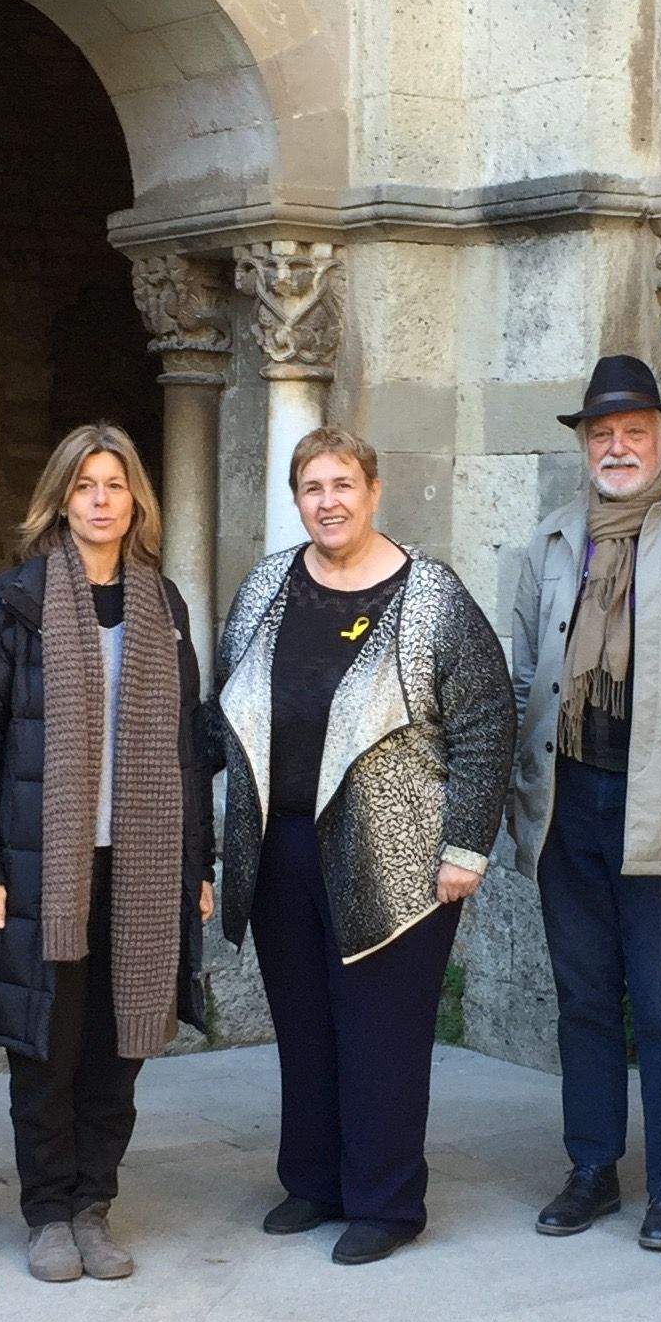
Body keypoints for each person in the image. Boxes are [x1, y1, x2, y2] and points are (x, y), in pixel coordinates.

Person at [215, 426, 513, 1264]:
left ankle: (385, 1201)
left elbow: (488, 724)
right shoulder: (268, 586)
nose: (329, 501)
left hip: (400, 855)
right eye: (312, 487)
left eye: (344, 483)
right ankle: (313, 1181)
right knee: (304, 1022)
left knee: (382, 1031)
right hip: (281, 845)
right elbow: (225, 705)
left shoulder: (431, 596)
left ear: (373, 491)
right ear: (297, 498)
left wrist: (466, 848)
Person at [0, 426, 219, 1282]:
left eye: (116, 484)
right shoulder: (14, 604)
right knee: (46, 1050)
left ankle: (96, 1203)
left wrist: (196, 865)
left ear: (137, 500)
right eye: (85, 484)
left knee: (118, 1046)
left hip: (137, 868)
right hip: (41, 870)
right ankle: (47, 1211)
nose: (101, 499)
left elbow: (187, 745)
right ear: (61, 497)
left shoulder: (162, 606)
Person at [507, 355, 661, 1253]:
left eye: (635, 431)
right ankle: (592, 1168)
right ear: (583, 445)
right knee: (585, 996)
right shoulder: (554, 540)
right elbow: (526, 673)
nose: (619, 446)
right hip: (572, 804)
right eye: (603, 433)